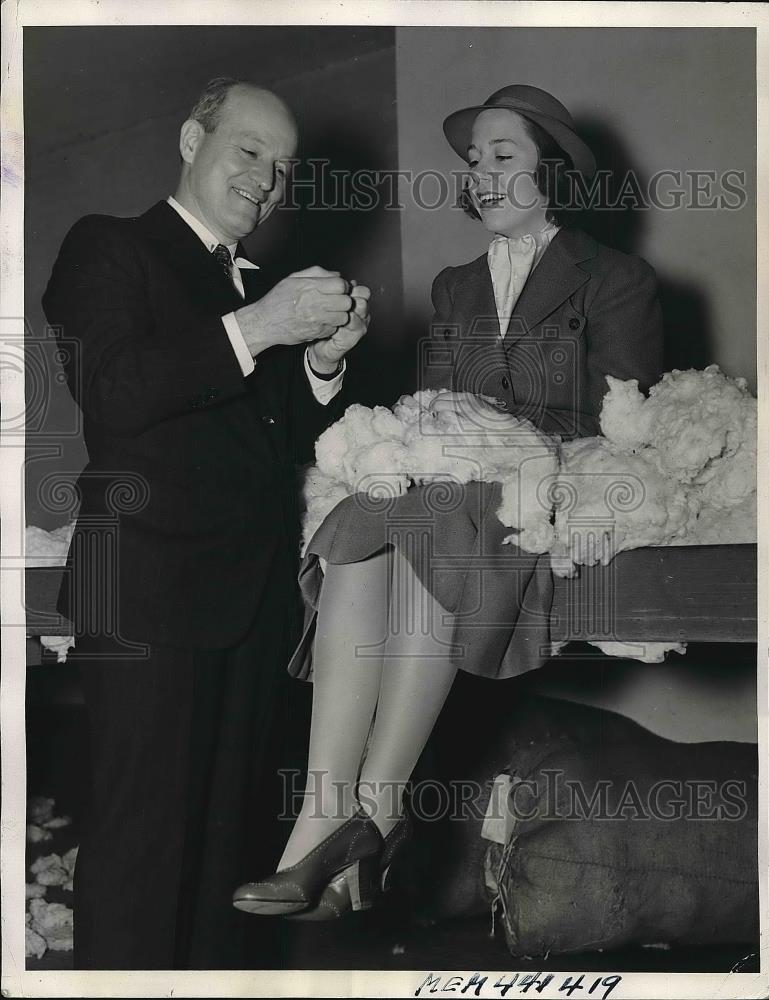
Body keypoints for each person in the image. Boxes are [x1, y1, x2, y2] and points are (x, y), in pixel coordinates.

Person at [232, 85, 664, 919]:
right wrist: (438, 435)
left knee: (437, 512)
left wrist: (489, 436)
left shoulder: (615, 278)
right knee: (358, 520)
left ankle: (371, 812)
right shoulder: (454, 285)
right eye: (475, 162)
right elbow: (433, 403)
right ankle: (327, 816)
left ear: (554, 170)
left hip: (546, 475)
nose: (483, 174)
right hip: (454, 480)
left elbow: (624, 422)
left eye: (504, 156)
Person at [42, 77, 370, 969]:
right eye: (249, 150)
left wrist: (325, 370)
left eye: (284, 167)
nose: (267, 180)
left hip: (250, 603)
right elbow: (113, 392)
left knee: (227, 863)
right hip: (145, 597)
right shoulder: (109, 249)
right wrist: (260, 325)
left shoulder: (262, 288)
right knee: (143, 850)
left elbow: (275, 445)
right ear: (192, 139)